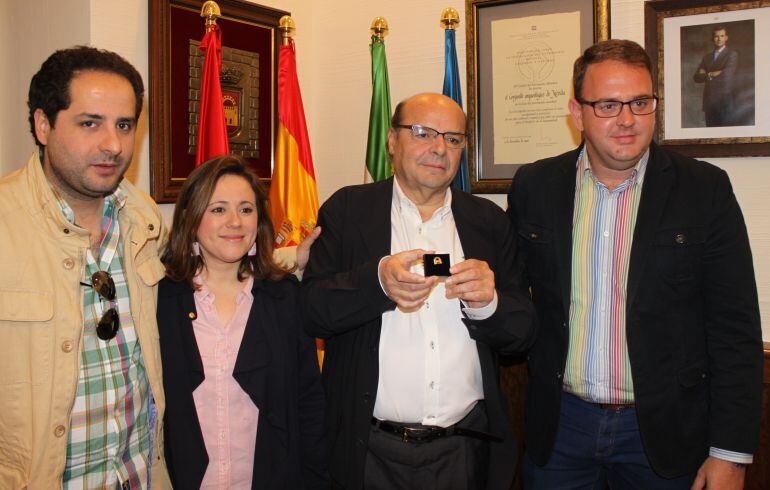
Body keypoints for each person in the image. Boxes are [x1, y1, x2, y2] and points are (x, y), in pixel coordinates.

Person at [507, 39, 763, 489]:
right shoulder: (535, 186)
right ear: (577, 111)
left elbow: (735, 328)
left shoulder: (704, 189)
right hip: (562, 428)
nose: (627, 119)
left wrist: (730, 455)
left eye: (640, 102)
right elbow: (512, 298)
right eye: (608, 104)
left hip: (665, 434)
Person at [301, 92, 537, 490]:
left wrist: (488, 304)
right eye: (423, 132)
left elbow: (523, 334)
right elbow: (311, 311)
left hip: (464, 450)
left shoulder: (489, 222)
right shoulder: (347, 210)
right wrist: (377, 282)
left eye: (453, 138)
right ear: (392, 141)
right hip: (370, 449)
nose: (439, 148)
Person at [0, 46, 171, 487]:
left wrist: (287, 258)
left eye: (124, 125)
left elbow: (205, 269)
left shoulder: (144, 219)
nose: (113, 145)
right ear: (43, 125)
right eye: (90, 123)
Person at [157, 155, 327, 489]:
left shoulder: (284, 297)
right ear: (192, 219)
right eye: (218, 209)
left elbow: (309, 404)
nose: (235, 221)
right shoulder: (161, 300)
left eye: (246, 209)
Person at [693, 26, 738, 126]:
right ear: (713, 39)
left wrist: (706, 74)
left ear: (726, 37)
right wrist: (712, 73)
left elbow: (726, 76)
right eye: (716, 36)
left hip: (724, 102)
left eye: (722, 36)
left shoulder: (732, 55)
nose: (719, 39)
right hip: (709, 102)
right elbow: (696, 77)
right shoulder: (707, 57)